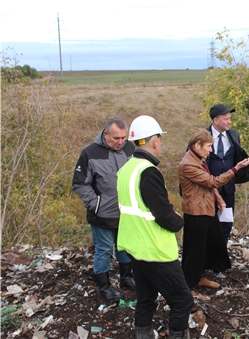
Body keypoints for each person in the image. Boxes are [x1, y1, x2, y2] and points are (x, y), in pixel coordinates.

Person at [117, 115, 192, 339]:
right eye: (159, 138)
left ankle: (143, 334)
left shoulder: (127, 169)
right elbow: (164, 215)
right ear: (155, 141)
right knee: (182, 301)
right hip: (156, 250)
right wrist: (179, 221)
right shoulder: (148, 171)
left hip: (135, 247)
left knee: (146, 298)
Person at [178, 128, 249, 292]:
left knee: (209, 244)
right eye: (209, 146)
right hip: (196, 213)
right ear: (198, 145)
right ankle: (189, 286)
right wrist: (235, 169)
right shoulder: (188, 164)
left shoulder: (199, 160)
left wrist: (219, 199)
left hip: (206, 209)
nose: (211, 151)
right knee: (194, 250)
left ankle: (200, 277)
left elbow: (207, 185)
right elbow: (212, 182)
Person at [72, 117, 136, 301]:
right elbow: (80, 184)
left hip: (126, 213)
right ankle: (104, 286)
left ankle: (126, 277)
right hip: (102, 215)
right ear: (105, 134)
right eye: (116, 138)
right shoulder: (89, 153)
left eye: (123, 137)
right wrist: (96, 204)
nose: (120, 142)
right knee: (104, 250)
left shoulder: (130, 149)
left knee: (124, 247)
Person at [206, 104, 240, 240]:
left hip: (228, 190)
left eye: (230, 118)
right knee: (209, 224)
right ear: (216, 120)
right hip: (209, 189)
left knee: (226, 224)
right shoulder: (203, 136)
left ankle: (222, 253)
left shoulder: (234, 135)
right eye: (226, 119)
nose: (229, 122)